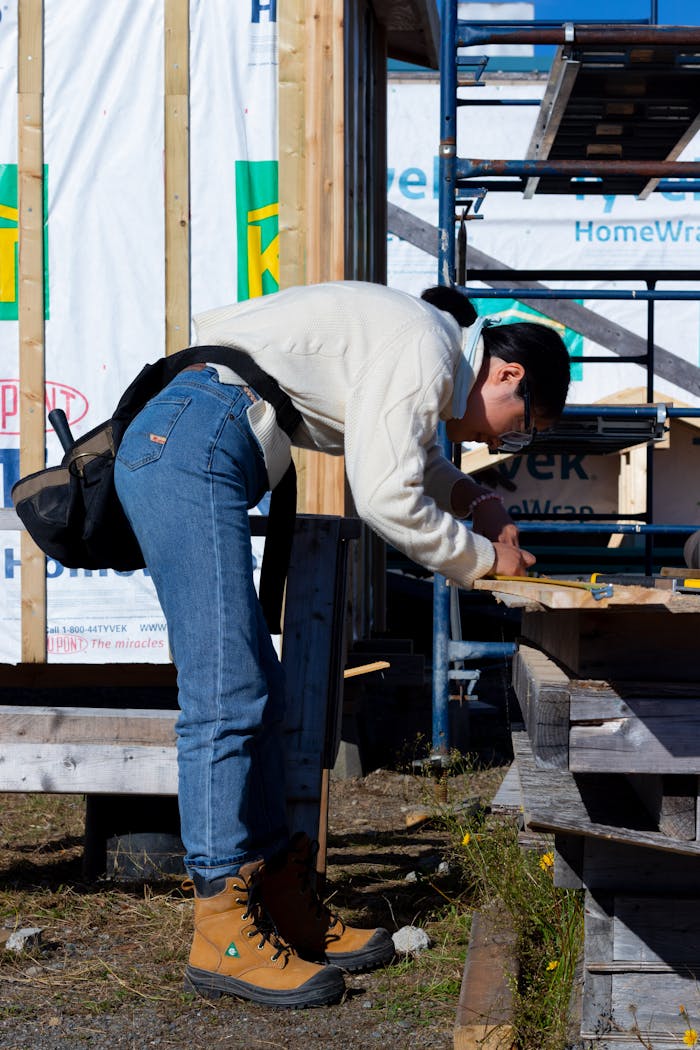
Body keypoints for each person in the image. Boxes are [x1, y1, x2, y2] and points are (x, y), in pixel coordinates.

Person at [113, 280, 570, 1009]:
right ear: (509, 373)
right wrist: (485, 562)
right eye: (517, 425)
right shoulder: (425, 344)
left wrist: (477, 502)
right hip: (193, 440)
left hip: (202, 434)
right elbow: (388, 493)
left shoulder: (424, 348)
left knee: (251, 683)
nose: (497, 442)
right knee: (225, 688)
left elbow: (408, 454)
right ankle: (221, 931)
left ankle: (277, 900)